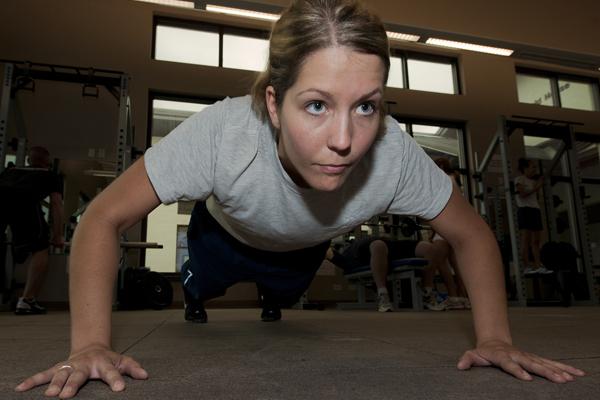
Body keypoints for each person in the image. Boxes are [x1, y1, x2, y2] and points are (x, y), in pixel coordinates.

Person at [15, 1, 584, 397]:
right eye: (316, 105)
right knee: (202, 290)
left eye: (366, 105)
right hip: (225, 238)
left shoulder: (394, 154)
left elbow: (471, 232)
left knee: (280, 301)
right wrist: (89, 342)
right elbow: (104, 217)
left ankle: (273, 289)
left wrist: (494, 338)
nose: (344, 139)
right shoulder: (220, 135)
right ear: (271, 103)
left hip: (305, 247)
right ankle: (199, 291)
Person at [0, 146, 65, 315]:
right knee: (41, 247)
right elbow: (57, 205)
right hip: (23, 206)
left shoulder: (10, 171)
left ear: (29, 160)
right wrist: (58, 235)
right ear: (47, 162)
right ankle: (27, 300)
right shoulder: (50, 175)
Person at [515, 158, 551, 275]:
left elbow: (535, 197)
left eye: (535, 167)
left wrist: (537, 186)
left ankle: (538, 265)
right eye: (532, 167)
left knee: (536, 241)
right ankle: (526, 266)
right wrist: (537, 187)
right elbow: (522, 195)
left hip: (535, 210)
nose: (534, 169)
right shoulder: (519, 179)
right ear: (525, 169)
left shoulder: (533, 181)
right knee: (525, 239)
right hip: (525, 210)